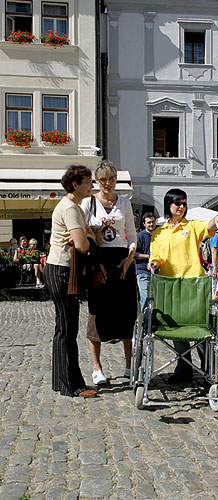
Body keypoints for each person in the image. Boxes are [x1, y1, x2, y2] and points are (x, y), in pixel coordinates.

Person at [149, 188, 218, 383]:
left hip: (194, 285)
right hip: (170, 286)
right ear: (169, 205)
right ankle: (184, 368)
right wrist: (154, 263)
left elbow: (208, 226)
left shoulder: (191, 227)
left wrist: (217, 217)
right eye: (178, 203)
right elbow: (156, 256)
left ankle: (207, 370)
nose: (182, 207)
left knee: (200, 330)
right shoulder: (159, 232)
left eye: (184, 203)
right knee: (177, 329)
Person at [81, 159, 137, 385]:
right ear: (96, 181)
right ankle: (97, 368)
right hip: (98, 260)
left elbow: (132, 234)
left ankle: (129, 365)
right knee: (97, 312)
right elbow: (83, 233)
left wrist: (129, 258)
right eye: (103, 179)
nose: (108, 183)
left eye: (112, 179)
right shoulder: (88, 203)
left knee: (126, 312)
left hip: (122, 260)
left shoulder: (124, 203)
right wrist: (94, 259)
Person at [44, 164, 97, 398]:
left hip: (58, 269)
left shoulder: (71, 206)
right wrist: (87, 235)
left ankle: (61, 382)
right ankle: (72, 386)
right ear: (75, 185)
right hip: (63, 271)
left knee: (63, 329)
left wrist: (87, 233)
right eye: (88, 182)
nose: (91, 185)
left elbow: (86, 235)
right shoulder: (71, 209)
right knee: (67, 330)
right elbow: (83, 246)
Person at [134, 212, 156, 313]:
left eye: (153, 222)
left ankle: (152, 323)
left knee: (156, 299)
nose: (151, 224)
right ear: (144, 224)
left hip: (157, 273)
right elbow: (134, 254)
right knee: (146, 298)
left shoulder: (158, 236)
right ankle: (144, 324)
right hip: (143, 271)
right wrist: (149, 257)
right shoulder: (140, 236)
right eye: (149, 222)